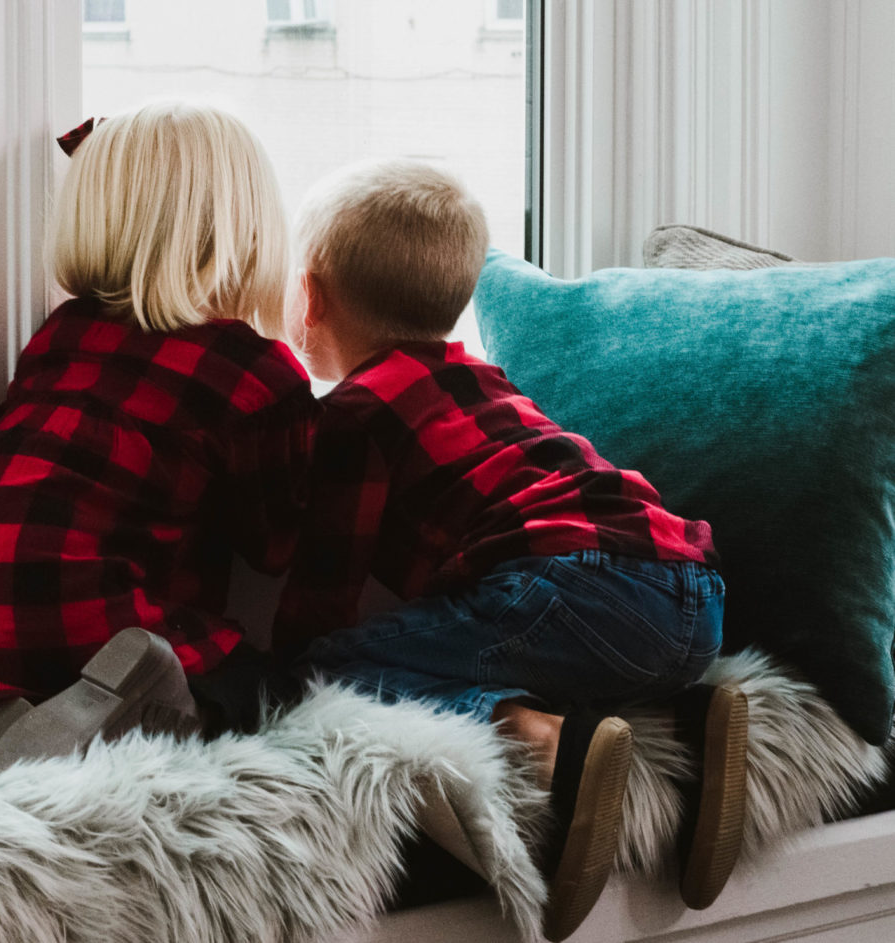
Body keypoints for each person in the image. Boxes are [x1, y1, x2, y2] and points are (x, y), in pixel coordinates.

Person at [271, 158, 747, 941]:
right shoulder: (485, 377)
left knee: (326, 667)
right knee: (534, 637)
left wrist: (283, 663)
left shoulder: (355, 413)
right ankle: (691, 718)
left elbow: (326, 580)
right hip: (693, 595)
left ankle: (549, 739)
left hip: (572, 587)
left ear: (310, 297)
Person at [0, 102, 317, 774]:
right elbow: (272, 543)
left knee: (21, 651)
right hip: (84, 607)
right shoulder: (252, 372)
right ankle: (132, 702)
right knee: (266, 689)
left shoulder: (62, 333)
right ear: (249, 229)